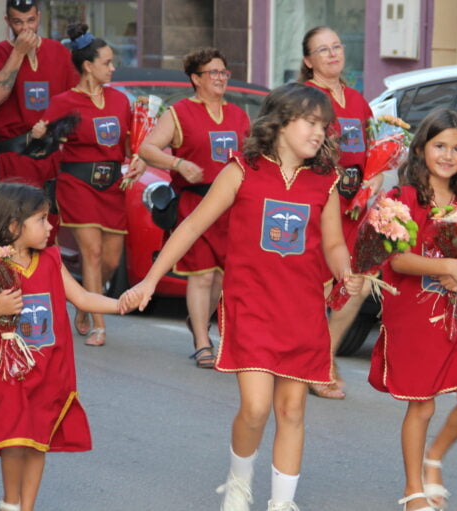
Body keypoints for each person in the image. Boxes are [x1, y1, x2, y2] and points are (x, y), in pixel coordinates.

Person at [123, 83, 363, 511]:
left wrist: (346, 269)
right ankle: (238, 481)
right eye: (310, 123)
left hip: (303, 309)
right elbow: (193, 225)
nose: (319, 133)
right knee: (254, 409)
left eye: (323, 126)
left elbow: (332, 244)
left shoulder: (324, 181)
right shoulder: (242, 169)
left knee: (292, 411)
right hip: (251, 305)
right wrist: (150, 281)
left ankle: (281, 504)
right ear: (281, 122)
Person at [0, 182, 127, 511]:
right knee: (13, 437)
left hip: (48, 368)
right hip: (8, 373)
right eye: (42, 220)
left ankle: (28, 506)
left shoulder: (50, 260)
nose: (51, 227)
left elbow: (81, 297)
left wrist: (121, 303)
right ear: (13, 226)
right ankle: (10, 502)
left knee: (38, 441)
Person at [368, 109, 457, 511]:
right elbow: (399, 262)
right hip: (413, 316)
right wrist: (447, 266)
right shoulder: (400, 199)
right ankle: (413, 490)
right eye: (440, 145)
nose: (448, 155)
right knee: (421, 404)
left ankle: (435, 456)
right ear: (422, 148)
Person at [31, 23, 146, 346]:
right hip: (77, 182)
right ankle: (99, 326)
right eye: (107, 63)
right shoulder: (64, 101)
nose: (112, 68)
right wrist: (39, 133)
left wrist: (140, 157)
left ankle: (85, 301)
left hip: (112, 185)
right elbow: (41, 143)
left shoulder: (120, 101)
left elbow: (128, 146)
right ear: (87, 66)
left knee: (111, 259)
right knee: (92, 254)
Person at [138, 47, 250, 368]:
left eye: (223, 72)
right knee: (201, 276)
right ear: (195, 79)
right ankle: (203, 341)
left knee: (221, 280)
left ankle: (198, 321)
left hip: (231, 209)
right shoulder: (180, 113)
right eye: (212, 73)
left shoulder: (239, 116)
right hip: (195, 202)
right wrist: (179, 163)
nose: (220, 78)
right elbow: (147, 148)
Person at [299, 26, 380, 399]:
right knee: (320, 287)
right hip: (318, 202)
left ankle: (324, 357)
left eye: (337, 46)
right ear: (308, 60)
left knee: (358, 285)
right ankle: (316, 364)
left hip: (356, 207)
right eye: (322, 49)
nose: (332, 54)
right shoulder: (304, 98)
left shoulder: (359, 101)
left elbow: (372, 151)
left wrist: (375, 177)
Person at [0, 0, 78, 242]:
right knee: (13, 231)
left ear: (38, 17)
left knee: (48, 230)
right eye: (18, 22)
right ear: (8, 22)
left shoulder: (58, 52)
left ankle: (43, 280)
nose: (25, 28)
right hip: (15, 156)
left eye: (30, 21)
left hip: (50, 157)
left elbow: (75, 104)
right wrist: (18, 53)